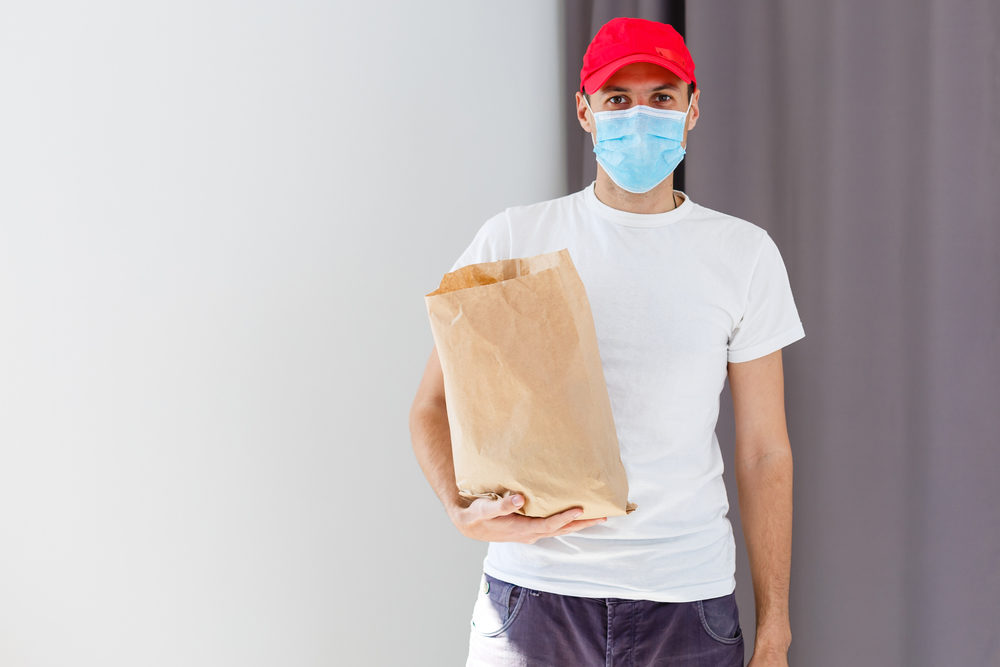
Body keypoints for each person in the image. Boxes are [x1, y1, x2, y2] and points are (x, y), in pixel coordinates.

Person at [410, 16, 802, 667]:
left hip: (688, 603)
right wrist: (458, 506)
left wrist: (775, 631)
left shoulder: (742, 254)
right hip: (534, 600)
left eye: (661, 98)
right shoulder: (515, 238)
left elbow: (765, 452)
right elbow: (430, 404)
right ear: (585, 112)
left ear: (692, 109)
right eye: (618, 99)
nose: (640, 116)